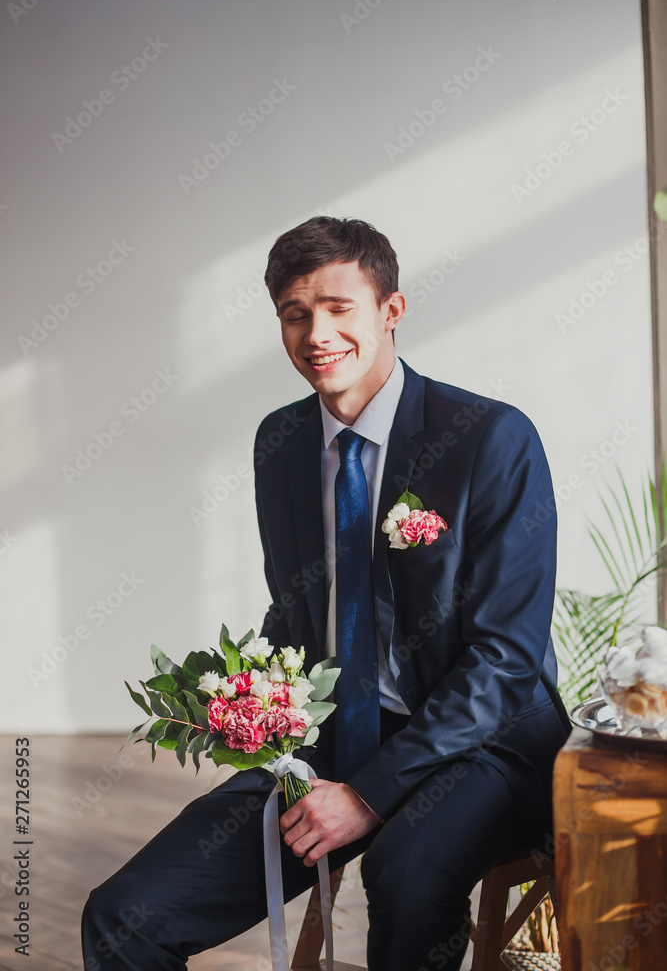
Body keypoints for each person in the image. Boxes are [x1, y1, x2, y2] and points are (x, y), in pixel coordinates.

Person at [82, 216, 571, 971]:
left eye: (339, 308)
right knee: (124, 915)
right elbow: (295, 614)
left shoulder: (489, 437)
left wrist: (369, 793)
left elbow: (505, 660)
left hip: (481, 748)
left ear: (391, 311)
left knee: (403, 878)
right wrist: (255, 712)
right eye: (294, 313)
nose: (317, 333)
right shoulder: (279, 442)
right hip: (328, 741)